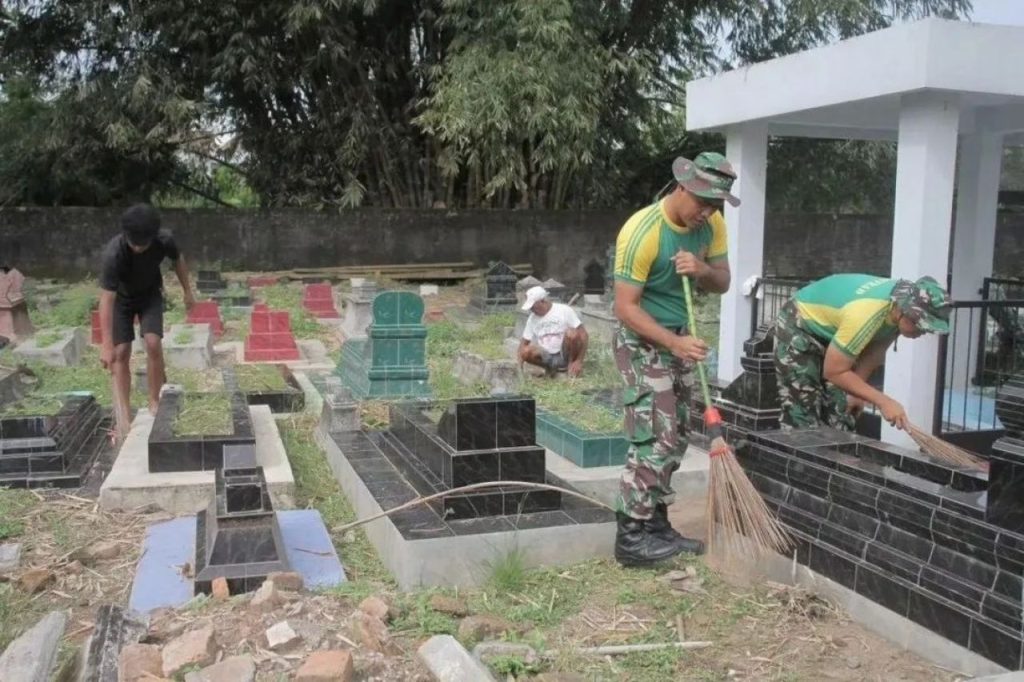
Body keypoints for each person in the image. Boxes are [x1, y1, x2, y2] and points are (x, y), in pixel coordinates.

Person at [611, 151, 738, 566]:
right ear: (681, 186)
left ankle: (655, 522)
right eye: (702, 200)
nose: (707, 211)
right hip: (641, 338)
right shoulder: (643, 232)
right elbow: (625, 308)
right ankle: (631, 537)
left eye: (715, 203)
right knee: (655, 433)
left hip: (679, 337)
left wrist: (702, 269)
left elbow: (722, 282)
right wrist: (673, 343)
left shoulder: (711, 226)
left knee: (680, 431)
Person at [774, 273, 950, 432]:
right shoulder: (866, 314)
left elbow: (875, 352)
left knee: (841, 412)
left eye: (927, 329)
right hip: (800, 324)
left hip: (835, 330)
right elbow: (834, 371)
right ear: (903, 310)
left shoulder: (896, 308)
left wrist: (855, 394)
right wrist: (883, 401)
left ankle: (836, 462)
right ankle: (799, 465)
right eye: (919, 325)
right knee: (803, 412)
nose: (921, 332)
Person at [98, 204, 195, 422]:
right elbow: (106, 299)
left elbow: (178, 260)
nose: (139, 248)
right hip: (121, 301)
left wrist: (188, 291)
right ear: (126, 235)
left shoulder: (164, 240)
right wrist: (106, 344)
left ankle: (154, 400)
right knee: (120, 352)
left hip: (150, 295)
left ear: (153, 235)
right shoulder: (114, 254)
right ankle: (123, 413)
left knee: (153, 342)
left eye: (144, 244)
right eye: (135, 244)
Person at [518, 286, 589, 377]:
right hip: (546, 356)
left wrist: (579, 360)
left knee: (572, 334)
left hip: (565, 353)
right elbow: (523, 344)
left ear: (543, 301)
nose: (531, 310)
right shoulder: (532, 319)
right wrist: (519, 368)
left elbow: (584, 334)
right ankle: (550, 368)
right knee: (525, 351)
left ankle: (570, 365)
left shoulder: (564, 310)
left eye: (533, 307)